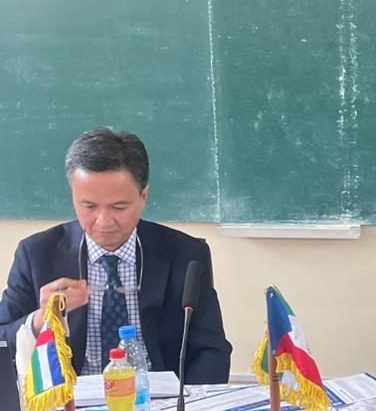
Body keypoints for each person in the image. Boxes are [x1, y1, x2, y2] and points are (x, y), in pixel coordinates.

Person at [0, 128, 232, 383]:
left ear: (143, 196)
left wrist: (187, 402)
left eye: (119, 207)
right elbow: (3, 339)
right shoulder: (36, 254)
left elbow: (211, 350)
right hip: (71, 399)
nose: (104, 221)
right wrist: (39, 320)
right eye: (89, 206)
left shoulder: (186, 255)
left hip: (158, 397)